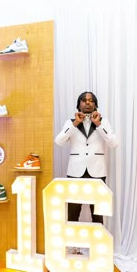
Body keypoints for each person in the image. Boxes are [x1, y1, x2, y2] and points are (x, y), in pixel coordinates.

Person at [55, 91, 117, 224]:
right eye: (84, 100)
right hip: (75, 171)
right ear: (79, 104)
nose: (87, 102)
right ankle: (73, 244)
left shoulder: (103, 122)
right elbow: (58, 142)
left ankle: (98, 243)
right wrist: (75, 124)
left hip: (97, 172)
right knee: (73, 211)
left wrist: (99, 125)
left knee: (98, 212)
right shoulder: (71, 123)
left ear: (95, 104)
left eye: (91, 100)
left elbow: (113, 143)